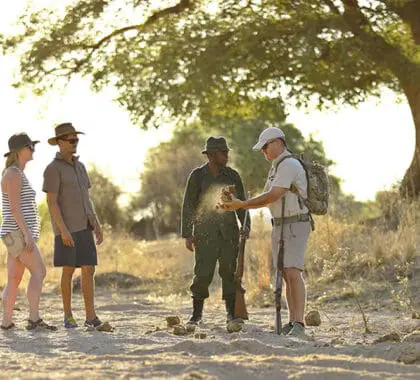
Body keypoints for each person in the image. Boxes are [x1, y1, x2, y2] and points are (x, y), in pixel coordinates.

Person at [220, 127, 311, 337]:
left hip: (294, 224)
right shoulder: (277, 167)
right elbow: (270, 195)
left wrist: (241, 205)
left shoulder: (288, 165)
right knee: (287, 274)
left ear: (278, 142)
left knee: (292, 272)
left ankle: (299, 322)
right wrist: (241, 204)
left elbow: (273, 195)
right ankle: (292, 321)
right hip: (280, 224)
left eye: (265, 146)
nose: (263, 152)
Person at [181, 136, 250, 327]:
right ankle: (196, 315)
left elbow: (243, 204)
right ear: (211, 155)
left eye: (227, 152)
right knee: (202, 274)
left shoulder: (233, 176)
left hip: (229, 234)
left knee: (229, 273)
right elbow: (188, 205)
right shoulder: (197, 176)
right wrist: (187, 234)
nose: (226, 155)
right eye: (222, 152)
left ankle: (231, 314)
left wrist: (246, 226)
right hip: (205, 234)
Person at [43, 123, 103, 328]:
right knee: (68, 271)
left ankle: (90, 317)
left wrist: (96, 223)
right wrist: (62, 230)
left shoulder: (81, 167)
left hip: (84, 227)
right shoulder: (53, 169)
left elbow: (87, 198)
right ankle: (68, 316)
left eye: (76, 140)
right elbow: (51, 202)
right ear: (59, 143)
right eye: (71, 140)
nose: (75, 143)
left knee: (89, 269)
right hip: (66, 229)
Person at [1, 133, 56, 331]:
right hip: (17, 234)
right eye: (30, 146)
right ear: (19, 151)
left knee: (14, 278)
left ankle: (6, 322)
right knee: (39, 271)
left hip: (12, 233)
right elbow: (15, 208)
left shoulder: (14, 173)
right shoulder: (13, 174)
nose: (33, 149)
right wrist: (26, 233)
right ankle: (34, 319)